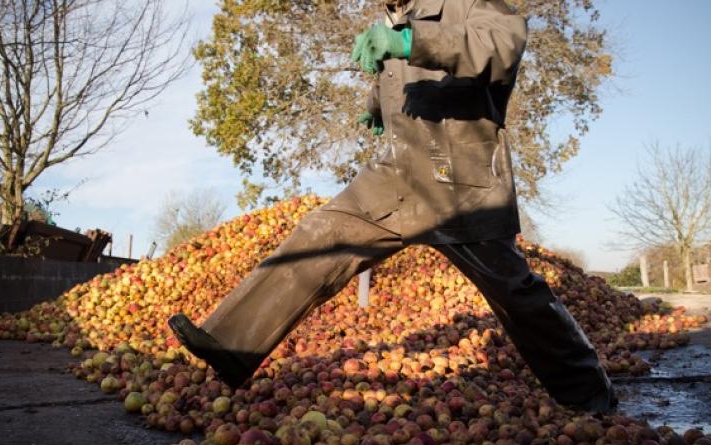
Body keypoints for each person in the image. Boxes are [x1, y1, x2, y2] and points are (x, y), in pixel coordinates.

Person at [169, 0, 617, 413]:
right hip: (396, 172)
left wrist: (409, 41)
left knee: (514, 292)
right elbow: (405, 79)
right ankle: (230, 344)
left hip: (458, 181)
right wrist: (375, 105)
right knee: (319, 236)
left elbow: (502, 44)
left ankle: (589, 392)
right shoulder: (396, 11)